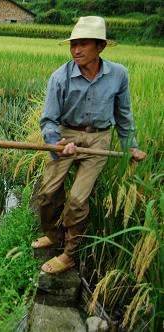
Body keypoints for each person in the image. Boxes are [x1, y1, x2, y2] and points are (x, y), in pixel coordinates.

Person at [31, 16, 147, 274]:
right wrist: (57, 143)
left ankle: (69, 255)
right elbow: (49, 120)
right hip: (66, 135)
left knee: (77, 199)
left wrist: (130, 146)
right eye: (73, 44)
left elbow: (124, 115)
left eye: (83, 44)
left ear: (100, 47)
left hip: (99, 141)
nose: (76, 50)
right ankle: (54, 234)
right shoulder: (60, 77)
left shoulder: (118, 75)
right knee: (47, 193)